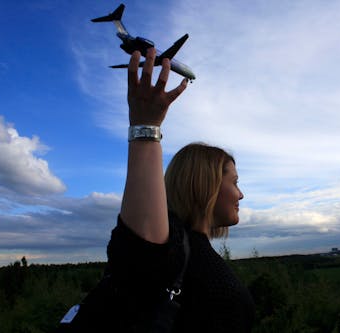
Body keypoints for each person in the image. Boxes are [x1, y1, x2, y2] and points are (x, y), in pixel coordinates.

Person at [105, 48, 255, 332]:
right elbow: (138, 248)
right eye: (234, 182)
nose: (241, 194)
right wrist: (145, 126)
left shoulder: (182, 253)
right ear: (207, 184)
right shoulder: (166, 254)